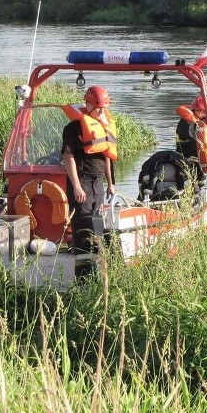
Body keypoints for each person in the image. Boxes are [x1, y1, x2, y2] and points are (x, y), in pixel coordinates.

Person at [61, 85, 116, 275]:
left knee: (97, 223)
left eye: (104, 108)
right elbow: (68, 157)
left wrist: (110, 183)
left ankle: (98, 270)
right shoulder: (73, 128)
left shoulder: (104, 126)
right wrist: (76, 186)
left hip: (98, 183)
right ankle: (82, 275)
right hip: (82, 182)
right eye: (98, 108)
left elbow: (108, 156)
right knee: (82, 227)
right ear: (88, 104)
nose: (102, 112)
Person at [175, 95, 207, 179]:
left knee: (200, 176)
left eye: (203, 111)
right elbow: (190, 136)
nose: (201, 113)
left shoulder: (201, 120)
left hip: (195, 151)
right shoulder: (187, 122)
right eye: (199, 111)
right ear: (193, 110)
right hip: (187, 152)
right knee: (194, 174)